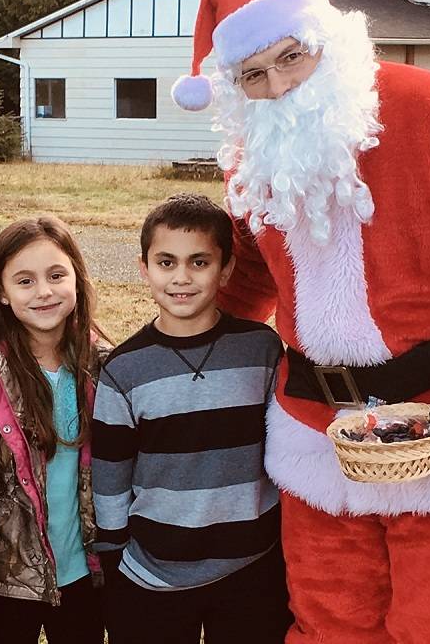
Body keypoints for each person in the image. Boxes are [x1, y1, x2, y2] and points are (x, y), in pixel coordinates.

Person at [171, 0, 430, 644]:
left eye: (291, 58)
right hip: (318, 438)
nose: (280, 87)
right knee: (329, 626)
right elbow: (249, 277)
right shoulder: (256, 155)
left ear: (329, 40)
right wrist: (175, 348)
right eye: (253, 76)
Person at [92, 193, 291, 644]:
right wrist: (114, 557)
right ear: (144, 268)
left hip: (251, 567)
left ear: (226, 269)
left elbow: (282, 446)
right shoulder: (124, 370)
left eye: (199, 263)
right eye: (166, 262)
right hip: (152, 574)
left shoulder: (260, 349)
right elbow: (110, 476)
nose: (181, 277)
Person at [0, 217, 108, 643]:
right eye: (25, 280)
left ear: (77, 278)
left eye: (56, 275)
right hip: (10, 583)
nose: (44, 291)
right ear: (2, 292)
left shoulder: (105, 367)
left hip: (87, 573)